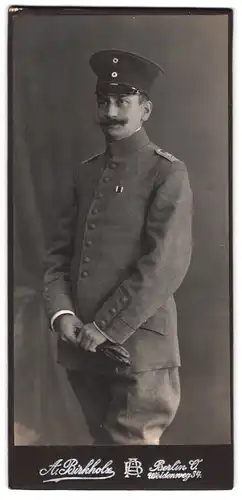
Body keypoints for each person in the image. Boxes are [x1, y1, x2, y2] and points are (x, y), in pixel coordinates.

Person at [43, 49, 193, 445]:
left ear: (145, 109)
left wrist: (106, 327)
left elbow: (165, 264)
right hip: (82, 349)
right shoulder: (87, 173)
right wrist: (62, 314)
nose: (110, 112)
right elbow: (59, 255)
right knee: (103, 456)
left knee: (132, 458)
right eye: (103, 102)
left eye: (122, 102)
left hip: (138, 351)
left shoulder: (167, 172)